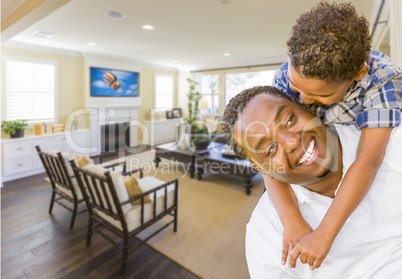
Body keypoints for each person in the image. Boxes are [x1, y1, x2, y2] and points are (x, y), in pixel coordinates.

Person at [265, 2, 402, 269]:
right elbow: (266, 157)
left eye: (321, 95)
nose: (302, 99)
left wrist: (326, 231)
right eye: (296, 87)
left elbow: (369, 158)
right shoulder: (285, 75)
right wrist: (290, 217)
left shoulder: (383, 78)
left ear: (358, 74)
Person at [222, 85, 402, 278]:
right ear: (263, 171)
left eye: (290, 120)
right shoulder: (264, 234)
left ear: (306, 107)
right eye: (270, 149)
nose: (291, 142)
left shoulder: (392, 141)